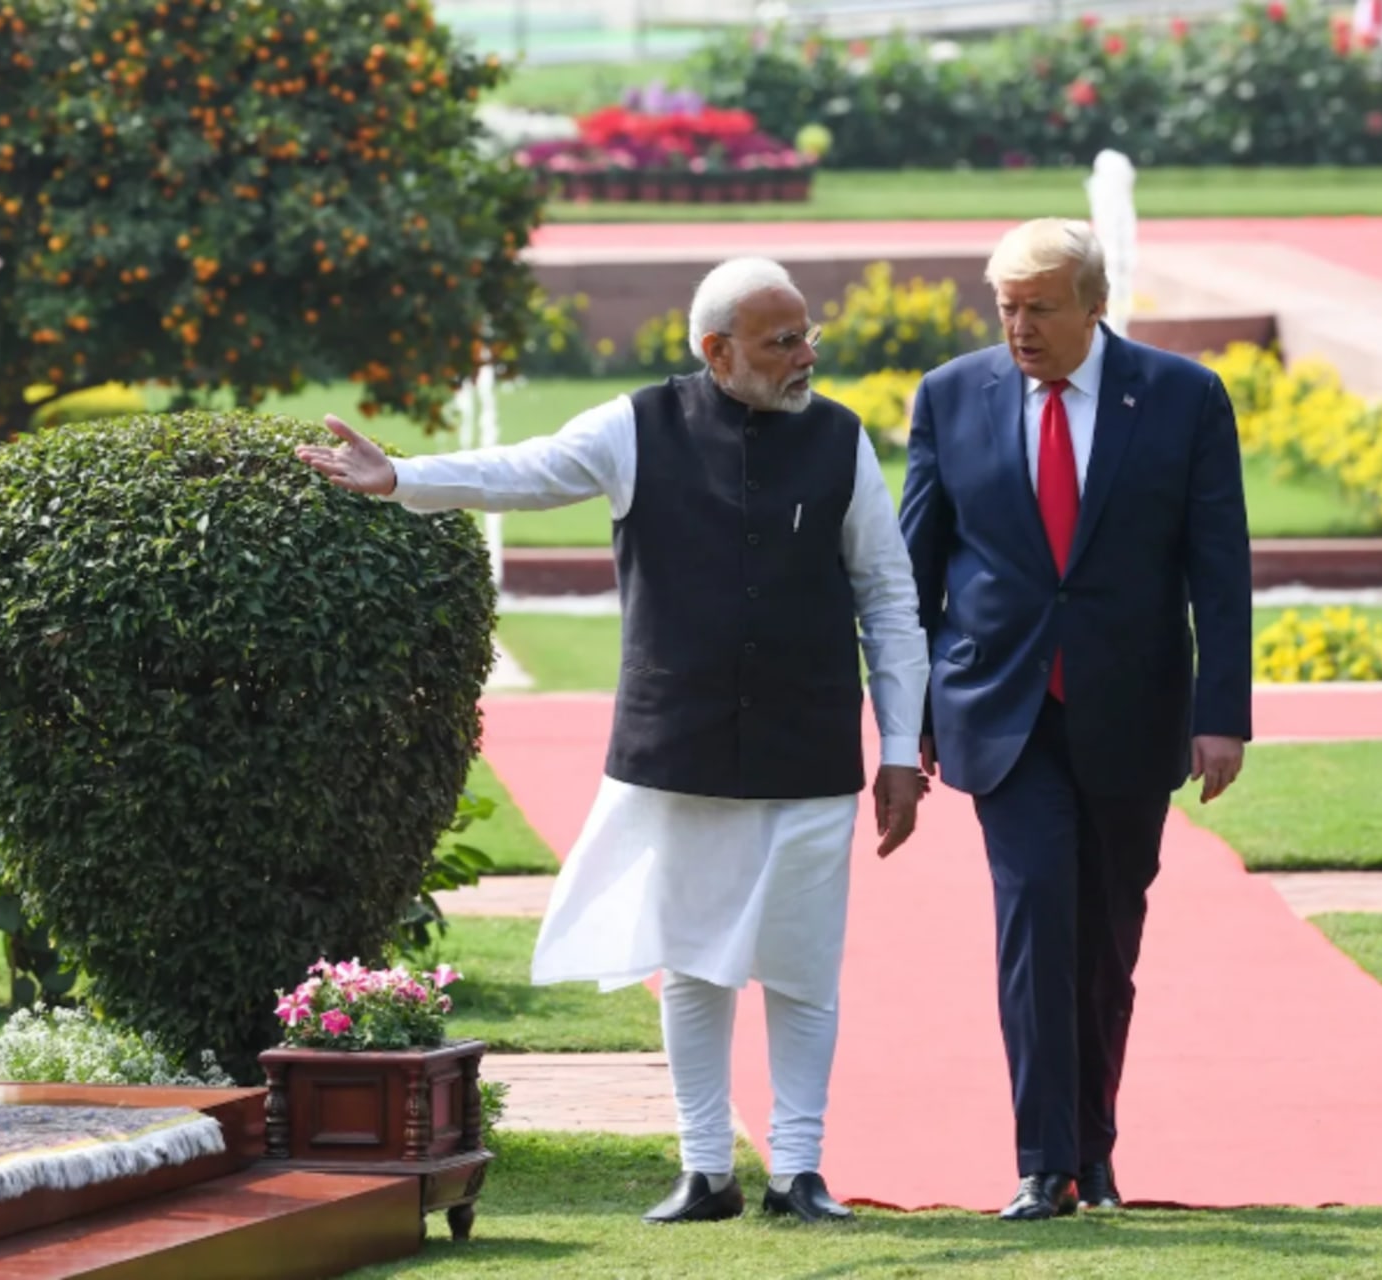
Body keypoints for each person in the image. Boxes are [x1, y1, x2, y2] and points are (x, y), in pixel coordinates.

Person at [296, 257, 930, 1225]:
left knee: (803, 965)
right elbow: (526, 470)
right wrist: (403, 478)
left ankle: (798, 1170)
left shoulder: (840, 439)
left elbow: (887, 596)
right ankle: (706, 1169)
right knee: (691, 960)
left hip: (808, 745)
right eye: (782, 341)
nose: (807, 355)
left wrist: (901, 748)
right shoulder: (636, 425)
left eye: (807, 335)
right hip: (679, 746)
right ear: (717, 350)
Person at [898, 219, 1252, 1221]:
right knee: (1035, 918)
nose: (1020, 327)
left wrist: (1222, 714)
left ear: (1096, 304)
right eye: (1007, 307)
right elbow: (911, 575)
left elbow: (1219, 568)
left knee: (1105, 943)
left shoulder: (1183, 397)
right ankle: (1043, 1161)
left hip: (1133, 712)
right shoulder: (949, 396)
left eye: (1041, 308)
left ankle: (1093, 1151)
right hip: (999, 713)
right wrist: (902, 718)